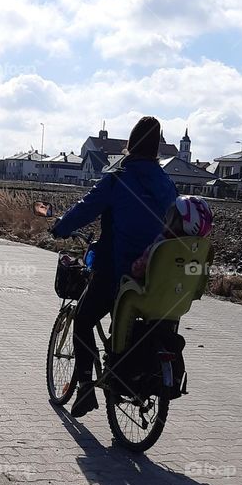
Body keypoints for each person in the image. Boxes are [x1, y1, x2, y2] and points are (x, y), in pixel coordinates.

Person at [51, 115, 176, 417]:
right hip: (156, 275)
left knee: (83, 320)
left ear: (131, 144)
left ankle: (83, 388)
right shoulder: (167, 184)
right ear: (157, 147)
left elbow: (86, 208)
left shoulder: (118, 179)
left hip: (117, 271)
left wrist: (60, 227)